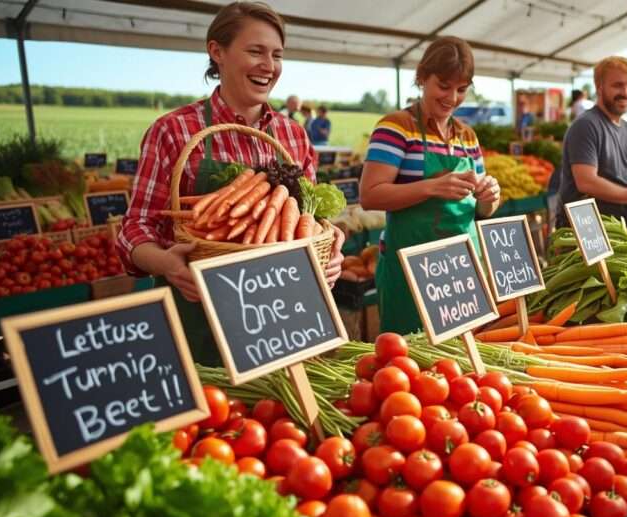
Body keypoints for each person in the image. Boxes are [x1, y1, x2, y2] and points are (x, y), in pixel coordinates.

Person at [117, 1, 344, 365]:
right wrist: (165, 263)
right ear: (216, 51)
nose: (269, 66)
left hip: (284, 317)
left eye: (277, 55)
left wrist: (332, 245)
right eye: (255, 51)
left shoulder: (294, 136)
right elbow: (135, 228)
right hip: (202, 313)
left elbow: (313, 220)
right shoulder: (174, 131)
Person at [360, 36, 501, 335]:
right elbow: (370, 195)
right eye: (443, 86)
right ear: (422, 78)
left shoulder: (467, 137)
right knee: (409, 363)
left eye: (461, 89)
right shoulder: (396, 127)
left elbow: (482, 210)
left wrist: (489, 195)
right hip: (411, 269)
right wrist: (431, 187)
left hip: (462, 268)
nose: (452, 98)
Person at [555, 56, 627, 228]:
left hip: (624, 231)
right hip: (586, 236)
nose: (625, 93)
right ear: (599, 87)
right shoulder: (586, 126)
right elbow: (586, 182)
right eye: (617, 85)